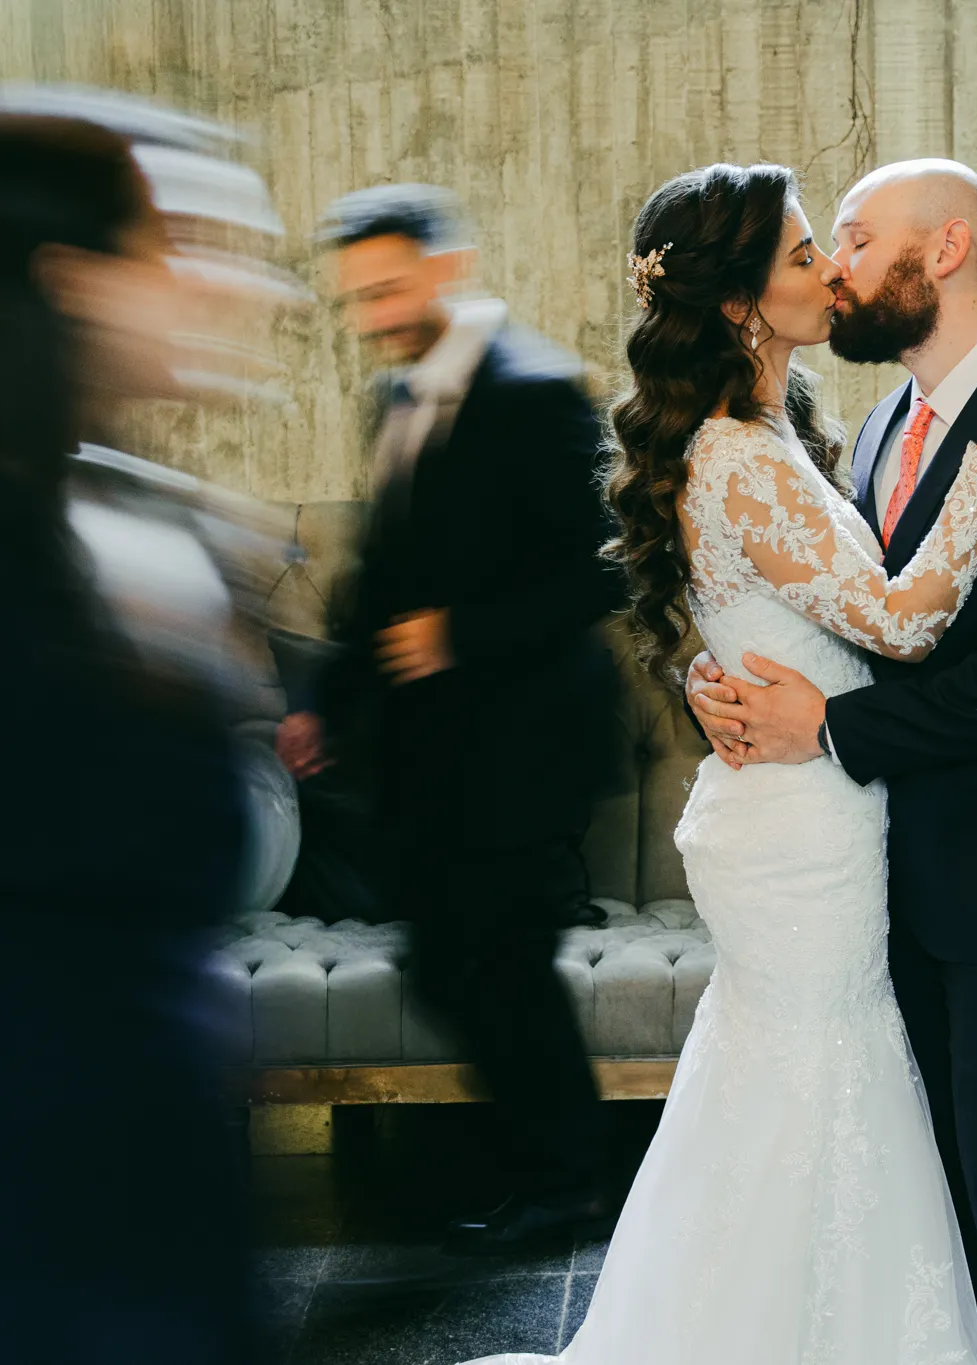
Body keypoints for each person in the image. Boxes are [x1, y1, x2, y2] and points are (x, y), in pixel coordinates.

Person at [463, 161, 977, 1365]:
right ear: (739, 304)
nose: (830, 268)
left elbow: (800, 614)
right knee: (821, 1107)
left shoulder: (804, 428)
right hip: (808, 834)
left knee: (832, 1124)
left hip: (884, 840)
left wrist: (720, 674)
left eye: (843, 242)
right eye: (811, 250)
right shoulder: (761, 448)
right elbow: (897, 622)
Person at [682, 158, 977, 1365]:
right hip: (871, 875)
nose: (833, 266)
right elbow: (841, 613)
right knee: (924, 1205)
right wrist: (727, 668)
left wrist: (827, 729)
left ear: (940, 250)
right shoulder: (878, 420)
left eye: (851, 235)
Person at [0, 99, 258, 1363]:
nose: (217, 282)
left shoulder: (136, 521)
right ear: (71, 280)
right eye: (173, 244)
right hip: (11, 1207)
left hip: (161, 1172)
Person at [280, 184, 622, 1252]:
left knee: (499, 965)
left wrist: (459, 637)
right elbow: (385, 577)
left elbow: (602, 573)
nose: (373, 312)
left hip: (526, 749)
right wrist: (326, 706)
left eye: (386, 288)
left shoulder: (536, 389)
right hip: (438, 760)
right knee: (446, 964)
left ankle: (568, 1183)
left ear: (446, 266)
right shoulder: (396, 397)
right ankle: (547, 1164)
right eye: (358, 298)